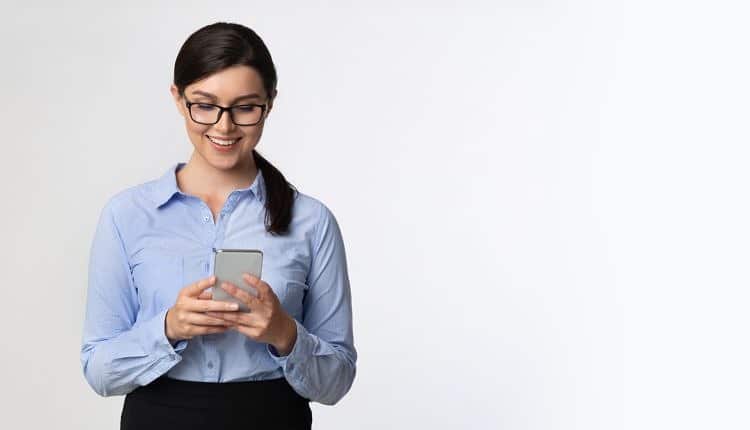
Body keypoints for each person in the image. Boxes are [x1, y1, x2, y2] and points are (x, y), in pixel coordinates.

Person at [80, 22, 357, 430]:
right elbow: (99, 371)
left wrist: (285, 333)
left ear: (270, 102)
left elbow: (337, 381)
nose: (224, 127)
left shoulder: (311, 221)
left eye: (245, 108)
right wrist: (168, 328)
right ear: (178, 98)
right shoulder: (127, 215)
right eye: (205, 105)